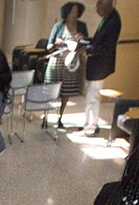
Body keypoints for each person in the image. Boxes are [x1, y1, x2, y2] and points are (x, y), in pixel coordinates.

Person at [45, 2, 89, 130]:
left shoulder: (81, 26)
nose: (74, 15)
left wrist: (82, 45)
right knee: (51, 91)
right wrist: (56, 44)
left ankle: (60, 117)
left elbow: (86, 43)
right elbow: (48, 46)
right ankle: (46, 117)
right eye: (71, 12)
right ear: (66, 13)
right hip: (57, 64)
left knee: (66, 92)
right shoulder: (59, 26)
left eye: (76, 12)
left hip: (71, 66)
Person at [83, 0, 121, 136]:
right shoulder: (107, 18)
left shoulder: (113, 22)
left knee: (92, 98)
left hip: (100, 67)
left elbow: (107, 48)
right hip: (95, 66)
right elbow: (99, 40)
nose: (96, 11)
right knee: (92, 96)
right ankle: (92, 124)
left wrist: (87, 49)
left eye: (99, 8)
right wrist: (86, 40)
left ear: (107, 7)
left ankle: (90, 128)